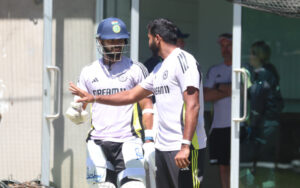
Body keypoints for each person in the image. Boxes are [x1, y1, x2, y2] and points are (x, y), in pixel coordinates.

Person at [69, 18, 207, 188]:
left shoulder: (184, 61)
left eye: (149, 38)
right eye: (111, 40)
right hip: (163, 147)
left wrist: (184, 145)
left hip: (182, 146)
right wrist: (94, 99)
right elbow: (131, 95)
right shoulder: (159, 69)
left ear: (157, 38)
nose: (117, 45)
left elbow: (193, 105)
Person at [65, 17, 154, 188]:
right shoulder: (88, 72)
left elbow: (147, 104)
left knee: (134, 186)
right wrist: (76, 112)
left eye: (120, 40)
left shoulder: (136, 69)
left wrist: (149, 139)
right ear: (100, 41)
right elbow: (80, 107)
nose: (116, 44)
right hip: (98, 142)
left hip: (129, 140)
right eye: (111, 40)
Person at [240, 41, 284, 188]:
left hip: (266, 125)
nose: (250, 56)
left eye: (253, 53)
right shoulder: (262, 73)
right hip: (265, 124)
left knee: (263, 165)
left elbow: (257, 98)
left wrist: (247, 82)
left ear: (259, 56)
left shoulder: (266, 74)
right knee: (259, 164)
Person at [203, 33, 232, 188]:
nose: (225, 49)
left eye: (229, 45)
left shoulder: (242, 69)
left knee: (237, 165)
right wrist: (228, 89)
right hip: (219, 126)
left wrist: (218, 88)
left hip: (238, 125)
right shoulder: (215, 70)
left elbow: (243, 92)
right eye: (222, 46)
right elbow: (206, 96)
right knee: (223, 167)